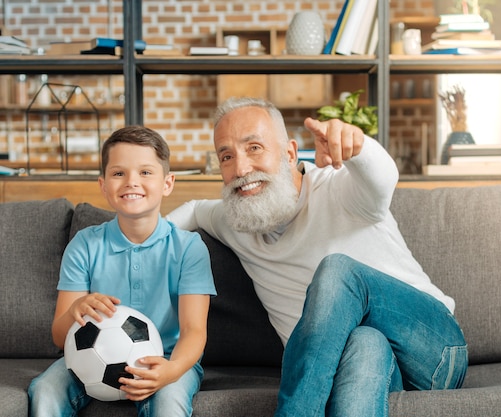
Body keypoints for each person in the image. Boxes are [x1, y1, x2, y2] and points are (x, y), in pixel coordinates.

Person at [167, 97, 467, 417]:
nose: (241, 168)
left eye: (254, 147)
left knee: (337, 269)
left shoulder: (341, 189)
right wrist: (127, 249)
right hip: (370, 366)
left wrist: (357, 145)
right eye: (226, 156)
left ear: (290, 152)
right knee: (365, 342)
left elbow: (383, 178)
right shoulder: (237, 218)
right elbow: (194, 210)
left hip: (436, 352)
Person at [28, 126, 216, 417]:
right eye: (119, 173)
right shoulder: (85, 245)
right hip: (88, 358)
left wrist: (172, 370)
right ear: (103, 185)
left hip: (166, 358)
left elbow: (194, 331)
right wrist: (77, 308)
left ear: (167, 183)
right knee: (44, 390)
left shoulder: (189, 248)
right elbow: (59, 335)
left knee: (169, 403)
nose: (131, 182)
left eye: (145, 172)